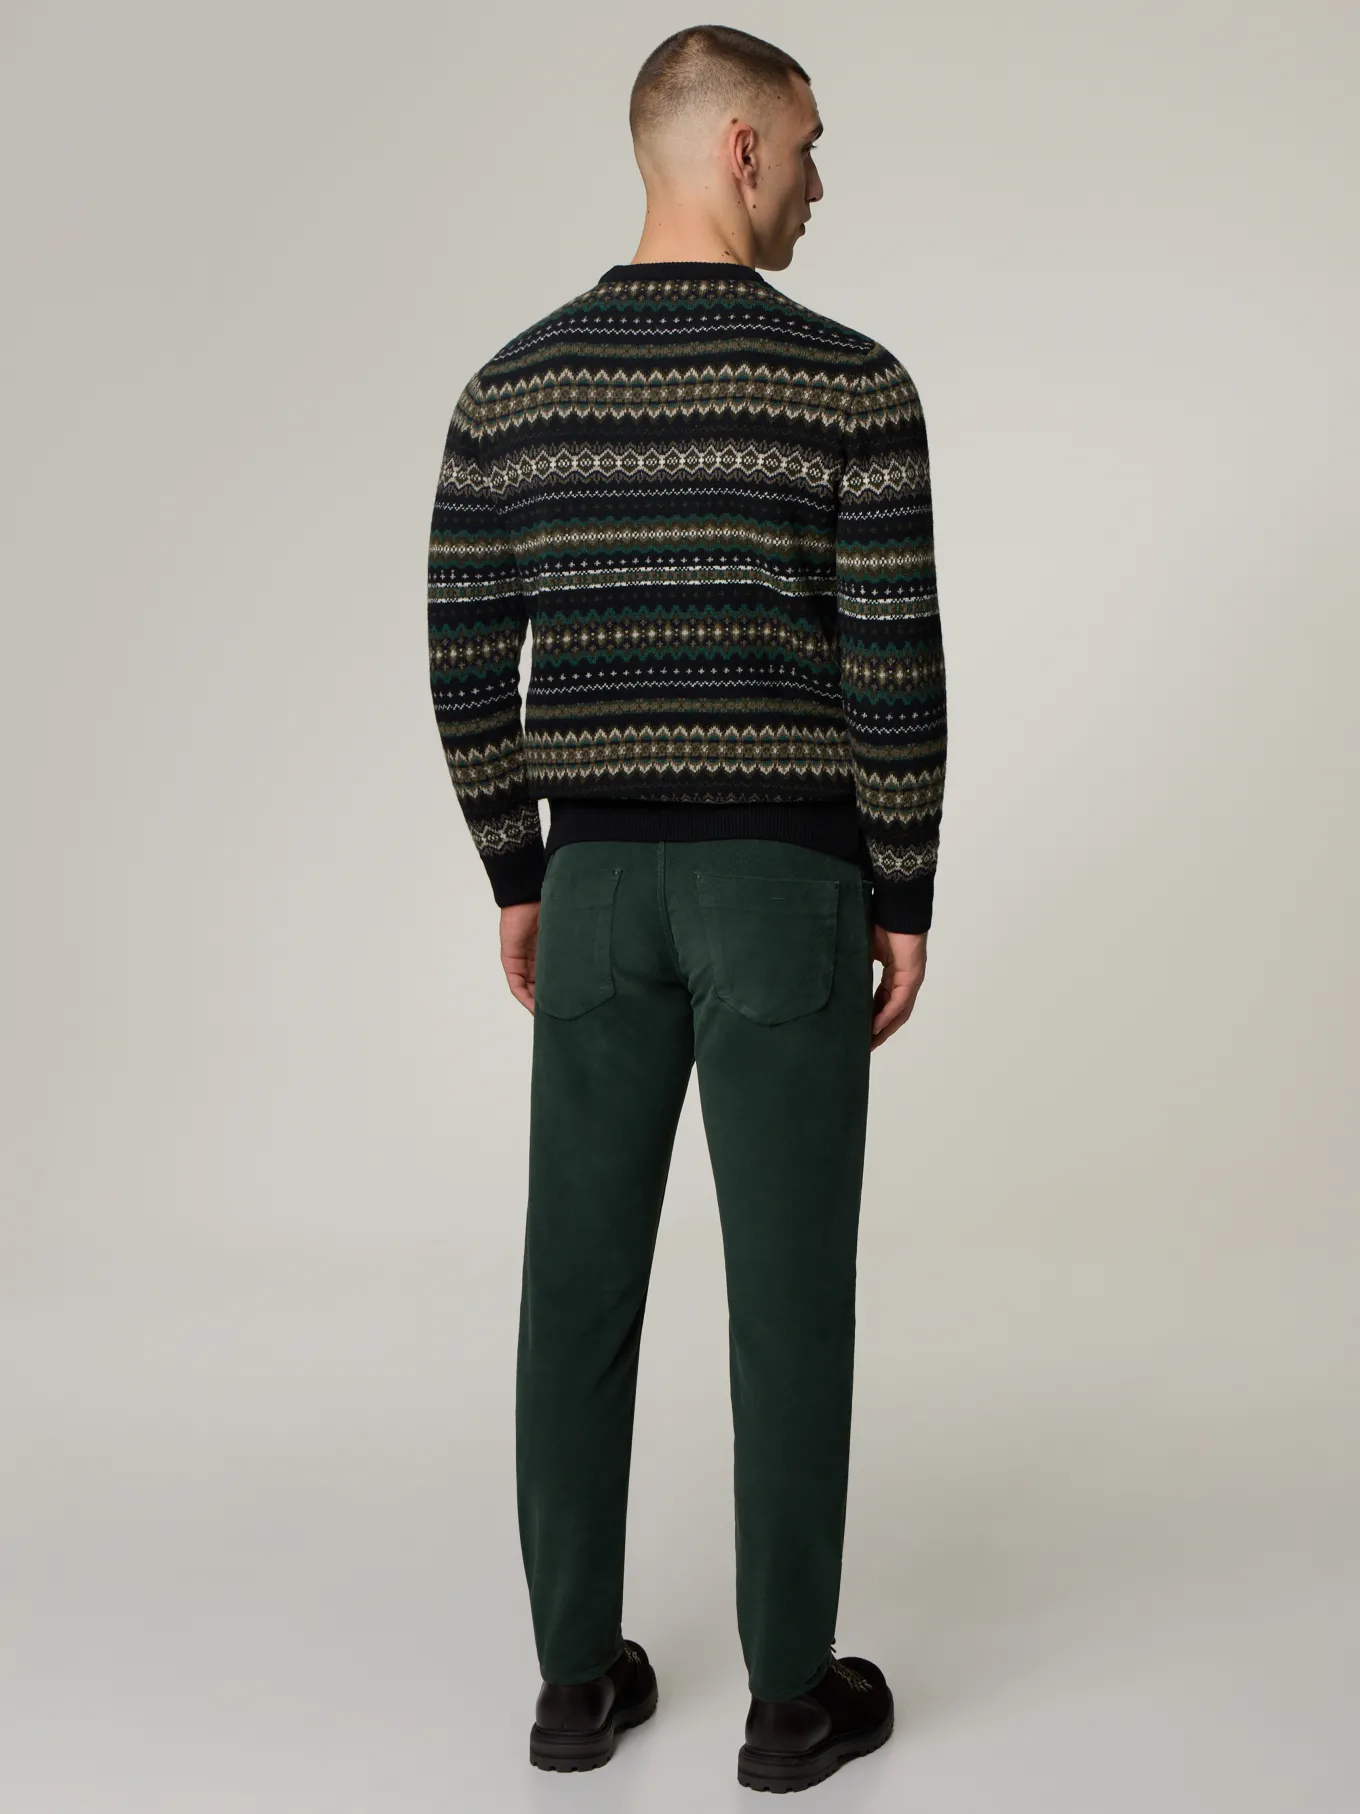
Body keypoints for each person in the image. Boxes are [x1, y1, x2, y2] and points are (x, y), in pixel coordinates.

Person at [426, 22, 947, 1795]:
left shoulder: (511, 389)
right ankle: (790, 1701)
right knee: (789, 1296)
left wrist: (522, 868)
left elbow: (461, 650)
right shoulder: (850, 385)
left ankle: (574, 1685)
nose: (819, 180)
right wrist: (902, 886)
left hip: (593, 884)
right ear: (739, 151)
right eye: (807, 144)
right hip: (787, 884)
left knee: (574, 1287)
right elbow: (894, 664)